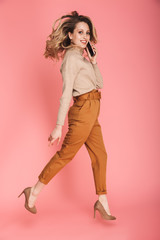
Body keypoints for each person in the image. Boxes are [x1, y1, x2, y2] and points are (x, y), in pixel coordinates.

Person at [18, 10, 116, 221]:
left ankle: (102, 201)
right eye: (80, 32)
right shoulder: (71, 59)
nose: (85, 37)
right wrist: (57, 126)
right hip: (82, 111)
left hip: (93, 110)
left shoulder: (83, 58)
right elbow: (65, 95)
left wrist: (94, 61)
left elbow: (100, 84)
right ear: (70, 35)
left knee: (101, 155)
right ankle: (33, 191)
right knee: (65, 155)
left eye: (87, 33)